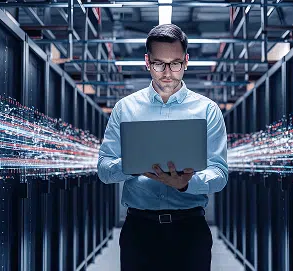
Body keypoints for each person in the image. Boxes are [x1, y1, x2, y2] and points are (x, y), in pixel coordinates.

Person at [97, 23, 228, 271]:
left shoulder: (207, 110)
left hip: (190, 231)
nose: (167, 72)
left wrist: (187, 184)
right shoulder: (125, 108)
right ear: (147, 62)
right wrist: (132, 166)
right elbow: (104, 170)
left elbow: (219, 174)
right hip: (139, 231)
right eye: (159, 64)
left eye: (175, 63)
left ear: (186, 61)